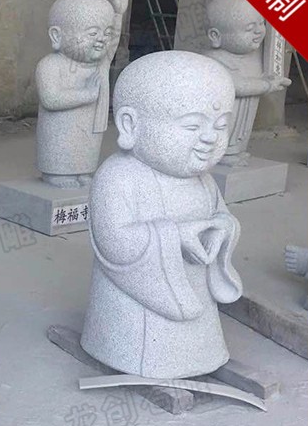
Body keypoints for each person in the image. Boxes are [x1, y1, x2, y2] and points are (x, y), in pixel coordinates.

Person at [80, 51, 243, 380]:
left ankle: (199, 354)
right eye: (193, 125)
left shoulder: (204, 180)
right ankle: (123, 350)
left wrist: (223, 230)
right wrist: (175, 236)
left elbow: (222, 215)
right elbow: (113, 240)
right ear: (130, 125)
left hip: (194, 290)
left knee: (199, 329)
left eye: (221, 125)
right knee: (140, 339)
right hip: (133, 316)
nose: (210, 137)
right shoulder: (117, 177)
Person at [35, 0, 129, 189]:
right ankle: (56, 173)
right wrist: (87, 94)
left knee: (87, 146)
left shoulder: (100, 64)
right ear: (56, 36)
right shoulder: (50, 65)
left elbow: (113, 42)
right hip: (61, 126)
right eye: (92, 33)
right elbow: (50, 99)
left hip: (90, 124)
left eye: (106, 33)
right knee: (62, 144)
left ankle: (83, 171)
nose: (101, 39)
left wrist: (118, 14)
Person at [205, 0, 290, 166]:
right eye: (250, 28)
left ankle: (235, 151)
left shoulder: (250, 56)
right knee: (225, 128)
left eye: (261, 23)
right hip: (223, 112)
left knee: (240, 131)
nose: (259, 31)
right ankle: (222, 154)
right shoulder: (213, 61)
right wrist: (266, 85)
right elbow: (237, 86)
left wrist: (269, 79)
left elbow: (252, 80)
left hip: (246, 109)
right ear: (216, 36)